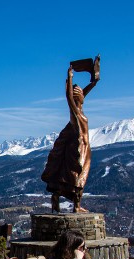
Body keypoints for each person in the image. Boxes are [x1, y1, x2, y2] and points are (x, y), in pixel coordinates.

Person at [41, 55, 100, 213]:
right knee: (77, 179)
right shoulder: (76, 116)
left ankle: (64, 201)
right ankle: (76, 206)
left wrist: (94, 81)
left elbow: (79, 97)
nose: (82, 95)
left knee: (75, 178)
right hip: (78, 150)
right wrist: (70, 78)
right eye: (80, 94)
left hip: (83, 149)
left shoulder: (80, 111)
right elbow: (69, 99)